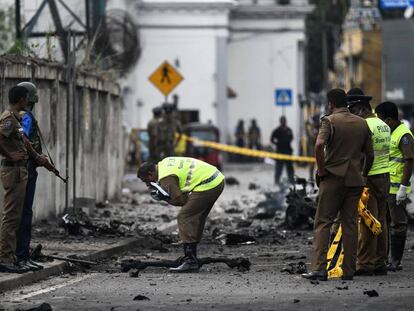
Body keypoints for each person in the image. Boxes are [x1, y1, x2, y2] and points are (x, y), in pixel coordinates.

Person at [302, 88, 374, 281]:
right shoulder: (361, 124)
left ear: (330, 104)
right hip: (355, 180)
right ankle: (349, 270)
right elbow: (370, 154)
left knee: (323, 222)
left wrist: (322, 169)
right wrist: (363, 174)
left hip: (333, 179)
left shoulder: (329, 121)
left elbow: (318, 145)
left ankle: (318, 269)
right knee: (350, 224)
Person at [137, 157, 225, 272]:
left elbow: (181, 201)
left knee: (184, 217)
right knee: (197, 216)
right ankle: (192, 256)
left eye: (146, 181)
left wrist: (164, 198)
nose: (148, 185)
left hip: (208, 184)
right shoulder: (164, 163)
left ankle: (190, 261)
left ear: (150, 175)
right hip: (217, 179)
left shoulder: (166, 178)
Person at [0, 86, 47, 273]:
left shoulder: (16, 118)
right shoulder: (8, 119)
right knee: (11, 217)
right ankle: (4, 258)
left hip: (20, 171)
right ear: (20, 99)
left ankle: (12, 257)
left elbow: (24, 141)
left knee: (17, 216)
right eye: (27, 99)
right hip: (13, 171)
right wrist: (10, 155)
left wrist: (37, 157)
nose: (28, 102)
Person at [347, 88, 390, 276]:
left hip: (370, 178)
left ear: (361, 109)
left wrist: (360, 176)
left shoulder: (365, 126)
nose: (352, 115)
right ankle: (380, 262)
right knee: (381, 221)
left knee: (367, 222)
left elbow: (364, 155)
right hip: (384, 177)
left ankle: (365, 264)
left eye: (353, 111)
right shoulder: (383, 124)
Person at [15, 82, 55, 272]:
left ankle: (21, 255)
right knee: (24, 214)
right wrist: (38, 158)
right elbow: (24, 142)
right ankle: (21, 256)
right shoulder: (26, 117)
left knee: (23, 213)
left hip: (26, 168)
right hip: (26, 170)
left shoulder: (22, 116)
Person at [375, 101, 414, 272]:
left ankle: (395, 261)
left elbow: (409, 161)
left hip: (397, 189)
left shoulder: (404, 135)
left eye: (382, 119)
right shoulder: (390, 133)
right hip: (386, 187)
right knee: (385, 223)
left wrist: (403, 188)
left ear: (389, 120)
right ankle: (386, 259)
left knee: (398, 224)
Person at [270, 116, 294, 184]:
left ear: (286, 121)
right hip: (280, 152)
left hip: (288, 151)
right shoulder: (277, 130)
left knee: (289, 168)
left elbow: (291, 137)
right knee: (278, 168)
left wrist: (287, 142)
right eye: (282, 120)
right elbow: (271, 139)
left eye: (284, 120)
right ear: (280, 121)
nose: (283, 122)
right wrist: (277, 144)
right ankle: (276, 181)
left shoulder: (289, 130)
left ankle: (291, 181)